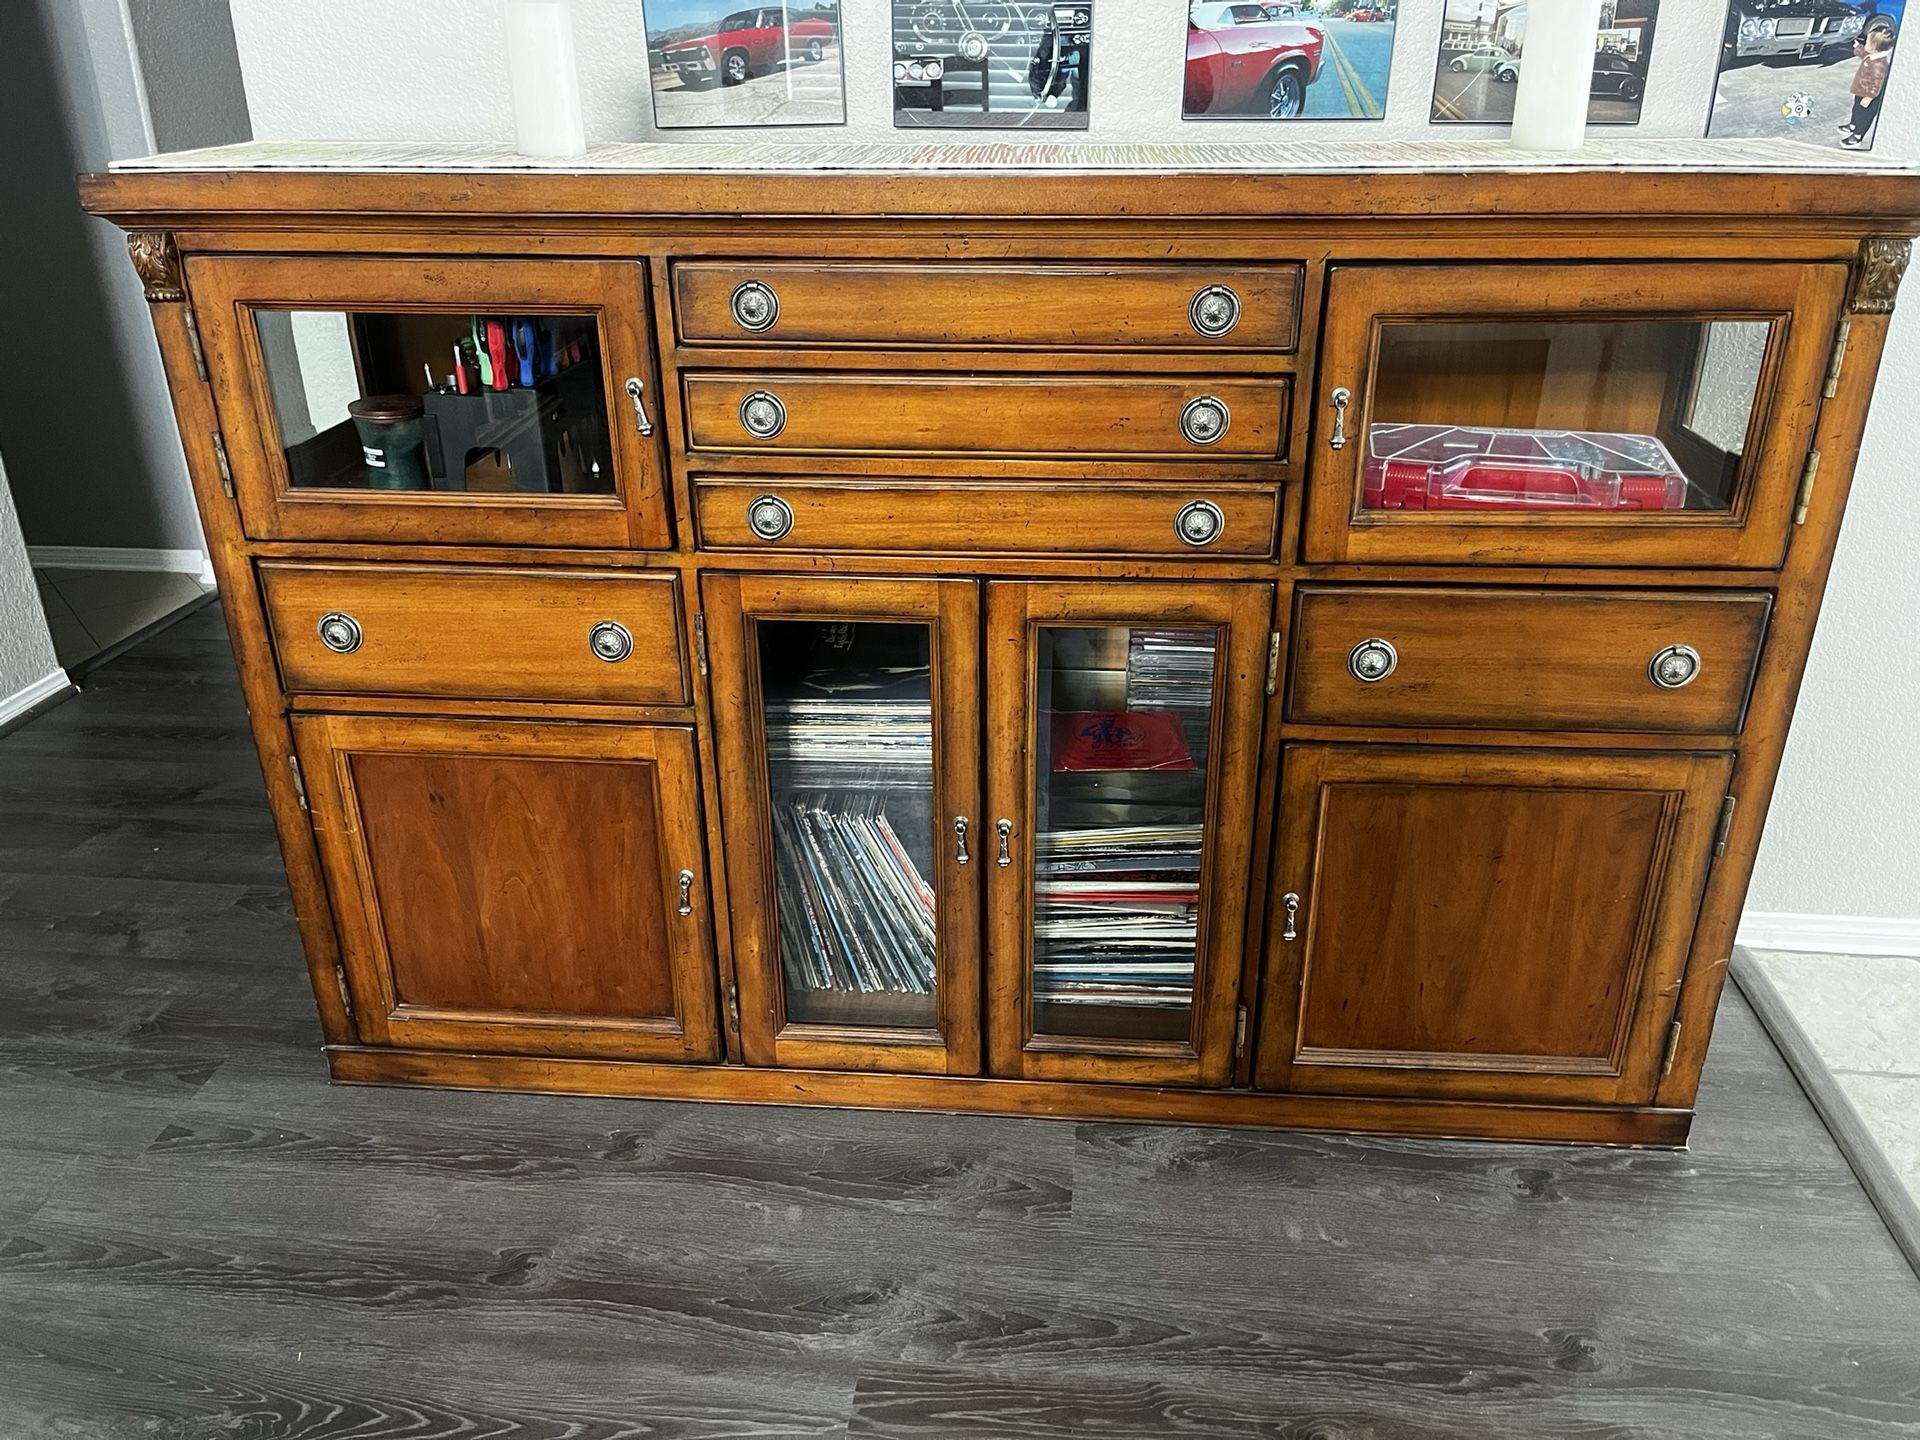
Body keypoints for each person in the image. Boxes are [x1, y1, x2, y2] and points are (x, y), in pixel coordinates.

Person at [1839, 18, 1896, 148]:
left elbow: (1877, 83)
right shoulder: (1873, 56)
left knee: (1864, 116)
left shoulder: (1879, 65)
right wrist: (1857, 48)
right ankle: (1853, 125)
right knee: (1857, 109)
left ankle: (1858, 135)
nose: (1865, 42)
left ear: (1874, 47)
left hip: (1869, 96)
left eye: (1868, 42)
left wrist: (1869, 97)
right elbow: (1864, 54)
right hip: (1861, 90)